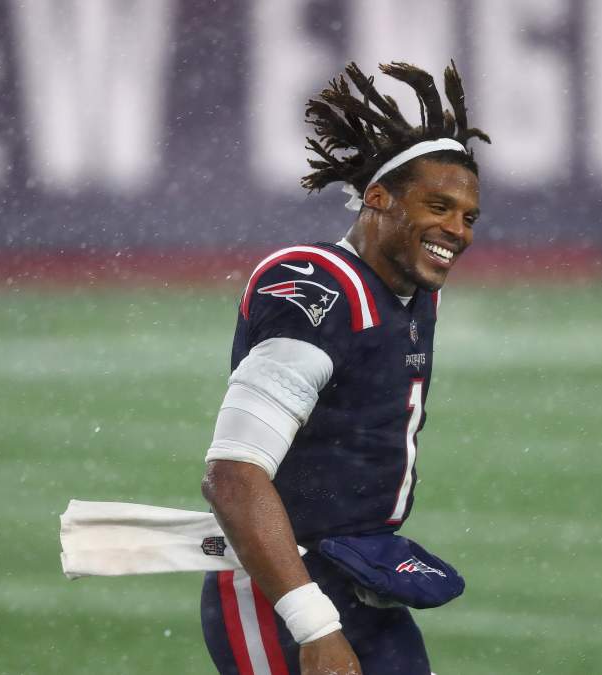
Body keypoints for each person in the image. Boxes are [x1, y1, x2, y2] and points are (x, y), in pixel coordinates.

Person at [199, 60, 490, 675]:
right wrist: (314, 624)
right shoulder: (321, 287)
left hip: (361, 573)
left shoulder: (413, 290)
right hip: (281, 586)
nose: (456, 230)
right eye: (438, 206)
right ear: (378, 199)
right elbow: (233, 474)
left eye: (468, 217)